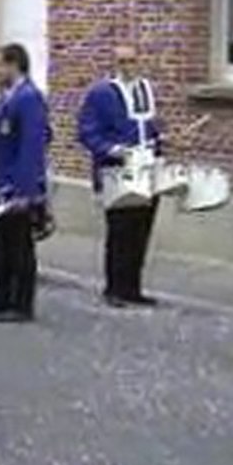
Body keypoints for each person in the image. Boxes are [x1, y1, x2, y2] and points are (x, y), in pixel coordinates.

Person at [0, 44, 50, 324]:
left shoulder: (29, 98)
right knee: (1, 244)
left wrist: (25, 190)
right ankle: (0, 296)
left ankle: (21, 303)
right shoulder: (7, 97)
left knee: (20, 246)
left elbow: (32, 145)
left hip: (16, 184)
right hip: (0, 182)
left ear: (13, 64)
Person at [77, 45, 161, 308]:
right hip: (116, 170)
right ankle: (114, 287)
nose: (128, 66)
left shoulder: (145, 89)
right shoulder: (101, 93)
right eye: (122, 61)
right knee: (120, 231)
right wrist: (112, 150)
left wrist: (159, 141)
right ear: (114, 64)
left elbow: (148, 126)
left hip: (146, 169)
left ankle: (133, 287)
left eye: (132, 60)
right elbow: (87, 131)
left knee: (141, 230)